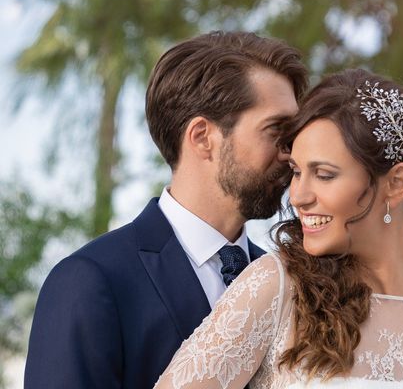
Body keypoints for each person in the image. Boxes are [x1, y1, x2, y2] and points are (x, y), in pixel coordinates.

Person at [153, 68, 403, 389]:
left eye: (324, 174)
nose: (297, 195)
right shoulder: (279, 289)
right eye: (297, 172)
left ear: (396, 184)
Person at [24, 31, 308, 389]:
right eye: (277, 132)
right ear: (203, 136)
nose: (292, 154)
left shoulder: (289, 282)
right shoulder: (90, 281)